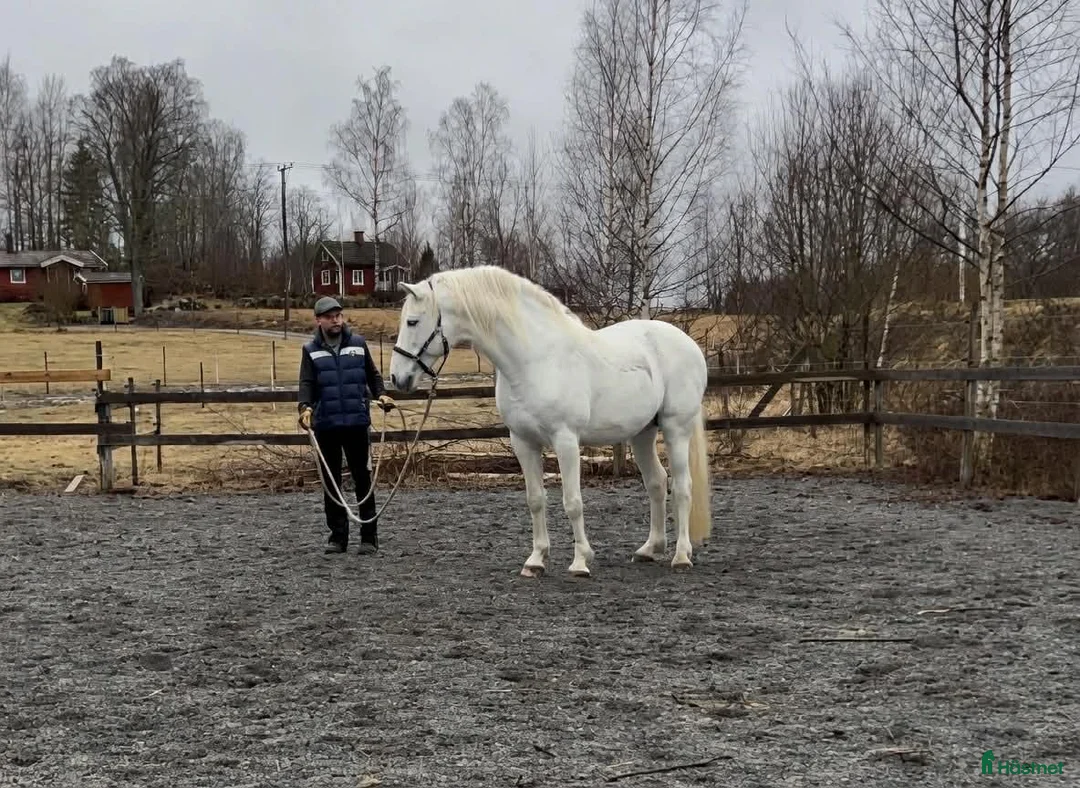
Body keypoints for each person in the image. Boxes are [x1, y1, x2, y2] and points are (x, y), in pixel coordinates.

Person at [297, 296, 395, 555]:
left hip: (356, 422)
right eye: (330, 316)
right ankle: (338, 537)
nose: (336, 320)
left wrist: (381, 394)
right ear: (319, 320)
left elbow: (372, 375)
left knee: (363, 480)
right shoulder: (310, 350)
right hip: (326, 424)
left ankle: (369, 538)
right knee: (331, 483)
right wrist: (304, 408)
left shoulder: (359, 344)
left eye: (338, 315)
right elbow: (306, 383)